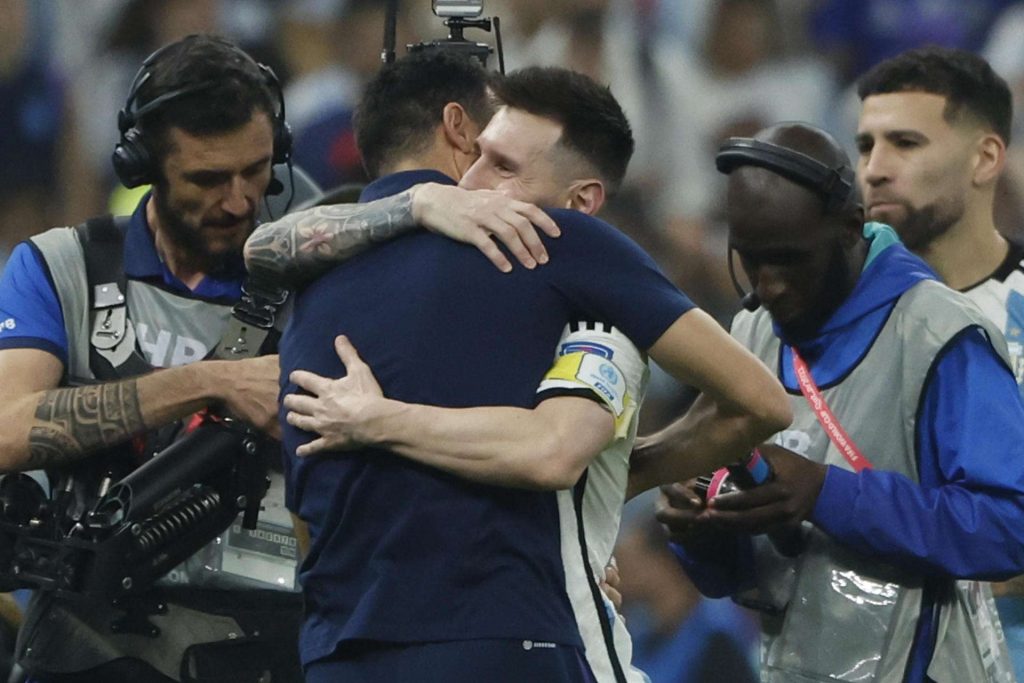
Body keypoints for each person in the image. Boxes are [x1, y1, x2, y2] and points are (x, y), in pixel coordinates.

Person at [246, 54, 790, 682]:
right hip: (505, 637)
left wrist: (611, 484)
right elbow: (760, 402)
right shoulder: (565, 251)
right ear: (455, 133)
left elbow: (308, 515)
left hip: (336, 651)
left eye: (501, 165)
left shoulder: (314, 280)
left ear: (577, 198)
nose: (473, 183)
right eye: (476, 155)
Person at [655, 122, 1024, 682]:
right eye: (751, 260)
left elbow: (1009, 528)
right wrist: (701, 530)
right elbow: (741, 578)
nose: (769, 285)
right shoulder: (752, 333)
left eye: (790, 259)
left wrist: (828, 492)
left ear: (852, 226)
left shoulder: (940, 335)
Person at [855, 45, 1024, 680]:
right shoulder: (832, 320)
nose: (874, 168)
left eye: (905, 142)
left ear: (985, 157)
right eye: (865, 144)